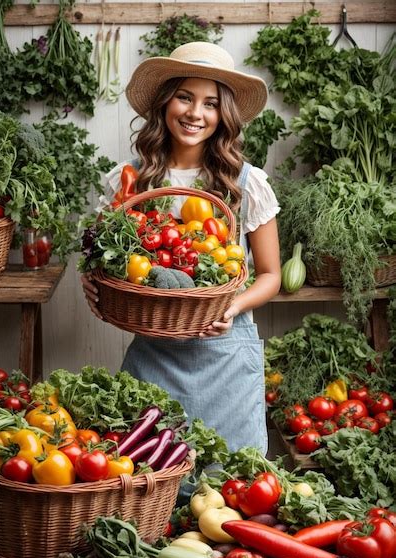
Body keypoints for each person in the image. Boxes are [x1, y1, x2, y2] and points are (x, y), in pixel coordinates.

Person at [82, 41, 281, 454]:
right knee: (149, 487)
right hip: (154, 356)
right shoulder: (129, 182)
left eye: (210, 103)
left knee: (229, 489)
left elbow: (271, 275)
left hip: (224, 353)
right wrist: (94, 286)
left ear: (222, 115)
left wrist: (233, 307)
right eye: (184, 97)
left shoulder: (246, 183)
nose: (195, 113)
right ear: (164, 103)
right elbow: (105, 264)